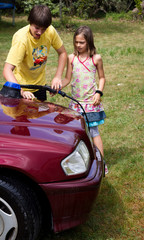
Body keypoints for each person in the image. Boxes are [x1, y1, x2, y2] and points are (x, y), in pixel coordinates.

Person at [62, 26, 108, 173]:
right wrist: (58, 86)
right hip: (76, 105)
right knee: (77, 133)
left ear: (88, 41)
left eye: (81, 42)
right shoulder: (72, 58)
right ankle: (81, 162)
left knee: (93, 132)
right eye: (76, 42)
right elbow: (67, 78)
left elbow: (102, 77)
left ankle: (100, 164)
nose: (78, 45)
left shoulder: (96, 59)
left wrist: (99, 93)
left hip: (90, 104)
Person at [3, 4, 67, 101]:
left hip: (40, 86)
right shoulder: (21, 39)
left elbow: (62, 53)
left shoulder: (50, 31)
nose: (40, 33)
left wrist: (57, 77)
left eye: (43, 29)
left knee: (40, 115)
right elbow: (7, 70)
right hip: (21, 87)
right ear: (30, 22)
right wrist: (22, 91)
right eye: (37, 28)